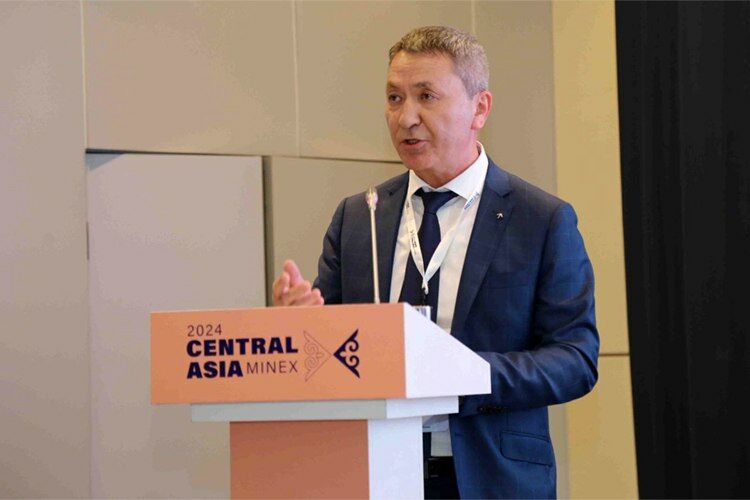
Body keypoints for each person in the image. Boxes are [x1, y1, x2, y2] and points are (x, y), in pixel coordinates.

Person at [272, 25, 599, 499]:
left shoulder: (540, 219)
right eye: (394, 98)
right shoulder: (359, 216)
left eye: (426, 96)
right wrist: (299, 330)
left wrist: (461, 374)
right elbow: (333, 350)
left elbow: (575, 360)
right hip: (372, 472)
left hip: (491, 481)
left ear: (479, 108)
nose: (406, 117)